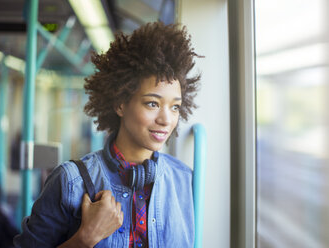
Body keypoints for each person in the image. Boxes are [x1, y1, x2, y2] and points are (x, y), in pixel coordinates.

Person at [14, 21, 202, 248]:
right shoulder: (70, 182)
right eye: (152, 103)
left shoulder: (184, 180)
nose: (166, 120)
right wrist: (84, 239)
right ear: (121, 104)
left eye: (175, 107)